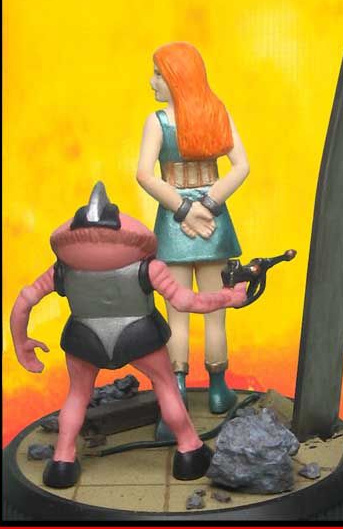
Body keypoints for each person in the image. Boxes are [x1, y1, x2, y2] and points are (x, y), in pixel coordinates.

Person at [10, 182, 246, 488]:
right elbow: (187, 301)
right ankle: (189, 450)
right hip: (139, 337)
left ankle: (62, 462)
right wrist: (228, 297)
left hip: (85, 339)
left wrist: (21, 343)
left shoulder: (62, 270)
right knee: (166, 387)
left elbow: (25, 301)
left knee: (77, 396)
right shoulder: (147, 268)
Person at [137, 42, 250, 424]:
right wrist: (208, 204)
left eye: (158, 73)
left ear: (175, 77)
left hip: (174, 226)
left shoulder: (157, 122)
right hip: (213, 224)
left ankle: (179, 389)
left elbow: (145, 174)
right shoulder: (216, 112)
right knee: (216, 310)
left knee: (177, 313)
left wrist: (183, 209)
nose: (152, 81)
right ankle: (218, 389)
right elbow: (240, 166)